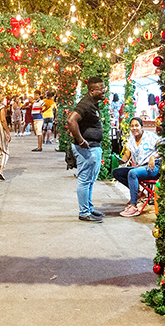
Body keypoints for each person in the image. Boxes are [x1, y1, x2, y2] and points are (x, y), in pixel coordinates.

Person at [67, 77, 107, 222]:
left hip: (92, 146)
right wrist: (80, 139)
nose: (104, 91)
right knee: (85, 180)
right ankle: (84, 212)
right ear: (91, 90)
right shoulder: (85, 104)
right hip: (86, 149)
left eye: (104, 88)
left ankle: (88, 208)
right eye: (101, 89)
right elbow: (71, 120)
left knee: (90, 180)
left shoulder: (92, 103)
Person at [113, 117, 162, 217]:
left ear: (142, 127)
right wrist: (120, 160)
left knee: (133, 173)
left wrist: (153, 156)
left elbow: (163, 148)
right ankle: (139, 194)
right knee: (117, 172)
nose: (134, 128)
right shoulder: (131, 140)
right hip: (140, 168)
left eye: (136, 125)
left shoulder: (151, 137)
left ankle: (133, 206)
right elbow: (127, 156)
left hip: (153, 168)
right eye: (132, 126)